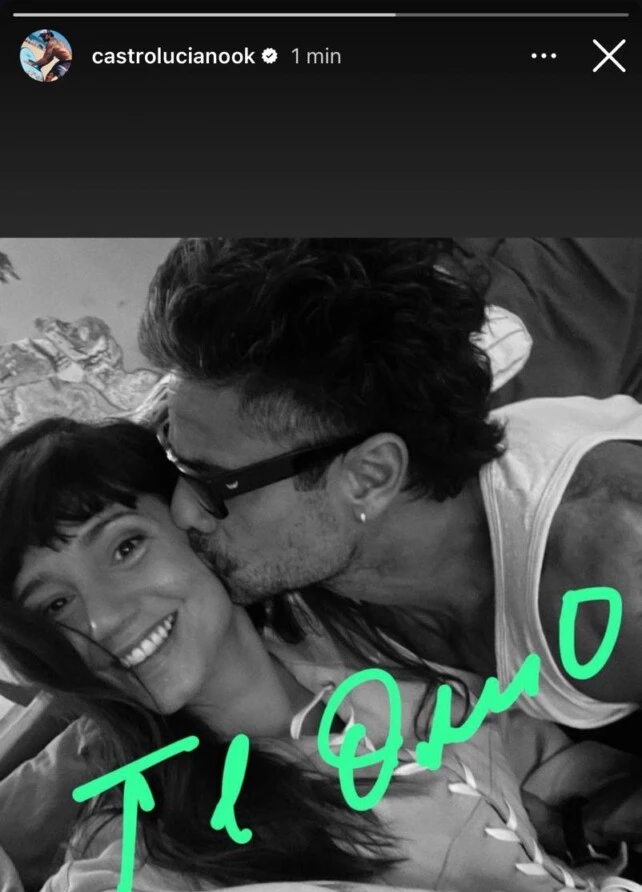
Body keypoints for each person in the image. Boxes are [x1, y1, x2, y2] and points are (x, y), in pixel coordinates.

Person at [0, 417, 640, 892]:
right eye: (55, 605)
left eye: (125, 548)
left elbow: (538, 766)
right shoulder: (140, 857)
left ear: (195, 522)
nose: (102, 620)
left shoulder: (370, 633)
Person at [137, 237, 642, 737]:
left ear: (370, 477)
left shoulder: (612, 578)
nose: (182, 512)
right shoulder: (298, 516)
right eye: (174, 462)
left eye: (214, 483)